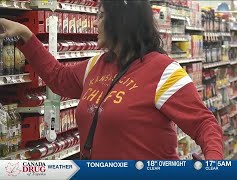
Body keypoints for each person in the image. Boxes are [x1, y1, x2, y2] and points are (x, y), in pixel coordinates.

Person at [0, 0, 223, 160]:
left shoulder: (164, 72)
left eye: (101, 16)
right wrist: (25, 35)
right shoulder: (95, 66)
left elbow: (204, 124)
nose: (96, 23)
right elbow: (58, 78)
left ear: (121, 22)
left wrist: (213, 164)